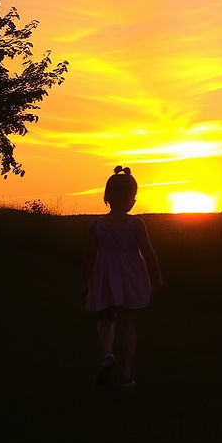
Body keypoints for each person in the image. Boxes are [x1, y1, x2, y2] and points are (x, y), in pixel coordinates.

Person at [83, 165, 163, 388]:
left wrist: (86, 283)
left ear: (106, 197)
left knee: (105, 319)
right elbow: (148, 252)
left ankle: (108, 353)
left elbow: (90, 255)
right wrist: (156, 278)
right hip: (130, 277)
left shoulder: (98, 225)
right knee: (128, 322)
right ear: (131, 199)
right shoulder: (136, 224)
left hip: (105, 277)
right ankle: (127, 374)